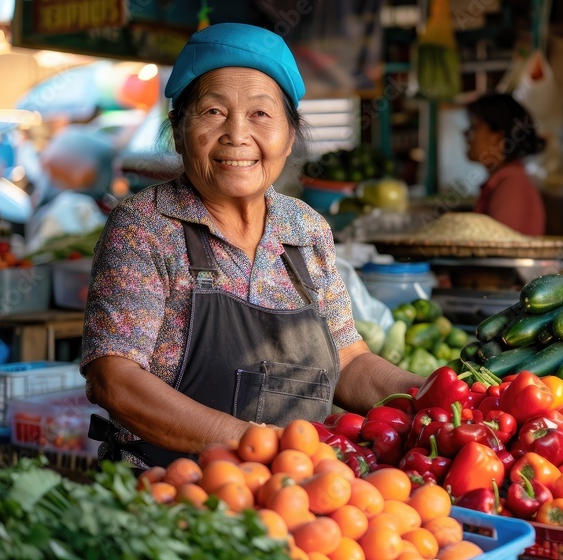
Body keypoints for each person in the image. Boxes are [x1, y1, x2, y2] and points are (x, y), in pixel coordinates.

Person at [82, 23, 422, 469]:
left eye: (261, 114)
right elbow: (115, 379)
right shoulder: (145, 227)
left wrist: (431, 395)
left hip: (293, 493)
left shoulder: (306, 229)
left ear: (289, 133)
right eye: (213, 112)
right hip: (171, 496)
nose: (237, 135)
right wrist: (255, 445)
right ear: (179, 130)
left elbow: (349, 359)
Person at [465, 93, 547, 236]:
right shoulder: (506, 182)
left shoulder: (512, 186)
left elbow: (498, 249)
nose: (467, 135)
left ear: (498, 137)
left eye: (474, 127)